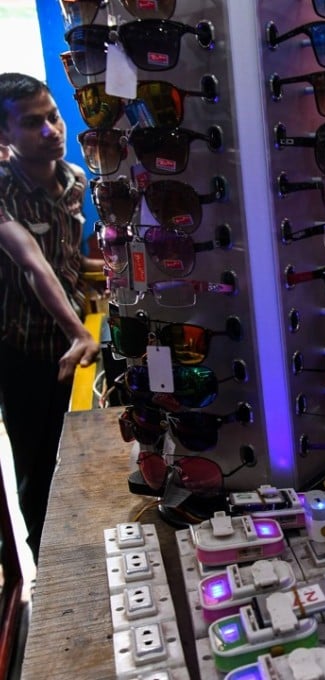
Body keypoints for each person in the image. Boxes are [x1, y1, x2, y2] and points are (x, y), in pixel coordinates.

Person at [0, 73, 102, 562]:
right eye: (32, 123)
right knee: (37, 471)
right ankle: (48, 566)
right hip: (25, 351)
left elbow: (66, 262)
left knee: (82, 460)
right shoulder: (2, 192)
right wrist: (77, 331)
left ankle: (86, 555)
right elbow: (30, 261)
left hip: (78, 353)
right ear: (4, 136)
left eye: (53, 116)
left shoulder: (76, 181)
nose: (50, 130)